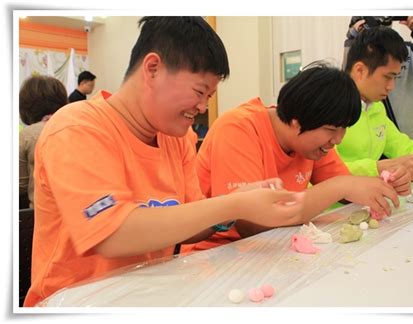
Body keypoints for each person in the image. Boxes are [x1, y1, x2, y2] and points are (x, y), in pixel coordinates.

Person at [24, 16, 306, 307]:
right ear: (153, 69)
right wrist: (234, 205)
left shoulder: (177, 138)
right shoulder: (77, 129)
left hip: (151, 295)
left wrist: (235, 204)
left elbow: (190, 222)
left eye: (209, 96)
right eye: (199, 91)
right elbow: (112, 235)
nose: (202, 107)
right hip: (74, 303)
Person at [181, 62, 404, 253]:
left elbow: (347, 191)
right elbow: (251, 224)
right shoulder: (238, 129)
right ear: (296, 121)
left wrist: (382, 184)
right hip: (215, 255)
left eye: (343, 128)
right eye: (331, 129)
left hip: (276, 248)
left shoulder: (313, 144)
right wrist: (340, 187)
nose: (338, 139)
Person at [337, 26, 413, 181]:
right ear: (360, 71)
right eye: (388, 77)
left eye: (395, 78)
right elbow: (323, 169)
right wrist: (380, 168)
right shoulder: (330, 105)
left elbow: (403, 147)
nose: (391, 87)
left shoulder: (376, 107)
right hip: (332, 202)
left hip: (362, 196)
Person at [342, 16, 413, 142]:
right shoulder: (358, 52)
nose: (390, 86)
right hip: (369, 137)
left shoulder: (404, 51)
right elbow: (348, 78)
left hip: (406, 136)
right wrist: (353, 37)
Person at [19, 75, 68, 208]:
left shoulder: (27, 135)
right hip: (80, 214)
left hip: (41, 215)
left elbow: (20, 185)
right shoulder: (76, 126)